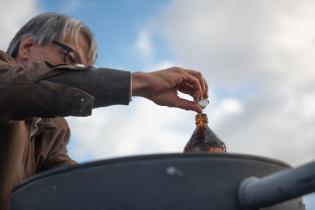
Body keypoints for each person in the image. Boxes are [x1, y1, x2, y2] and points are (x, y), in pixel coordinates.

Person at [0, 12, 208, 210]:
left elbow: (77, 186)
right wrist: (140, 82)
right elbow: (15, 87)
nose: (76, 75)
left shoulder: (54, 130)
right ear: (27, 47)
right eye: (70, 60)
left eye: (83, 70)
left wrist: (167, 189)